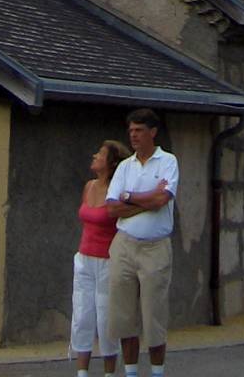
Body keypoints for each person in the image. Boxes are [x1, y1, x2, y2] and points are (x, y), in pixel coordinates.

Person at [105, 108, 179, 377]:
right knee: (124, 316)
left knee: (153, 316)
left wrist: (129, 197)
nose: (133, 136)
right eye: (131, 131)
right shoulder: (125, 166)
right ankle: (131, 372)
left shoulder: (167, 161)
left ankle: (157, 372)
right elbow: (112, 208)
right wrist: (144, 200)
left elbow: (163, 200)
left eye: (139, 131)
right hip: (124, 244)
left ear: (153, 132)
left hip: (155, 247)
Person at [71, 140, 130, 375]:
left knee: (106, 316)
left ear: (111, 162)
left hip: (107, 260)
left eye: (101, 154)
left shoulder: (118, 192)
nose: (94, 156)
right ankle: (82, 372)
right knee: (82, 314)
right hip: (84, 258)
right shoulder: (89, 186)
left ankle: (109, 371)